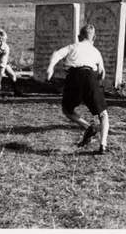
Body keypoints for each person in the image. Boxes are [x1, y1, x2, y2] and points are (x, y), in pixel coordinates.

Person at [46, 24, 109, 154]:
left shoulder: (72, 47)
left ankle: (88, 127)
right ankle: (103, 145)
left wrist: (51, 67)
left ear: (79, 37)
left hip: (74, 77)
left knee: (67, 110)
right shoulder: (96, 51)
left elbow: (56, 54)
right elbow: (102, 72)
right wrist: (97, 84)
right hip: (90, 77)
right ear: (94, 38)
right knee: (103, 114)